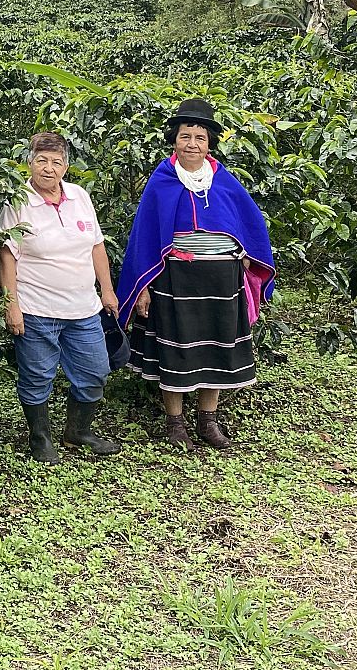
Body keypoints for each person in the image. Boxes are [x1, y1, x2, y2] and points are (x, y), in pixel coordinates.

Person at [115, 99, 275, 452]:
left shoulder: (224, 181)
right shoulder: (162, 182)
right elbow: (145, 237)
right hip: (175, 281)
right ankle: (174, 422)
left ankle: (208, 420)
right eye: (185, 136)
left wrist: (248, 258)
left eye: (199, 137)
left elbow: (249, 224)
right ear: (174, 140)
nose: (192, 144)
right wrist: (143, 287)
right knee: (176, 350)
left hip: (221, 280)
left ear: (209, 143)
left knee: (216, 348)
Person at [0, 132, 122, 461]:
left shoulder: (79, 196)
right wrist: (12, 306)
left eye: (56, 161)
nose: (48, 168)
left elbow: (96, 245)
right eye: (41, 160)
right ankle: (40, 438)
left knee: (95, 370)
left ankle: (78, 431)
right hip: (37, 307)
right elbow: (7, 256)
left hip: (83, 307)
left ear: (66, 166)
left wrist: (107, 290)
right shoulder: (18, 201)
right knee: (38, 375)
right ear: (29, 163)